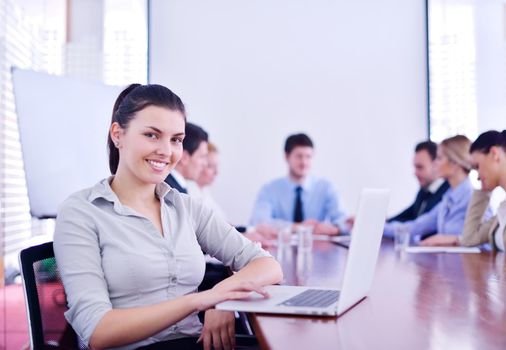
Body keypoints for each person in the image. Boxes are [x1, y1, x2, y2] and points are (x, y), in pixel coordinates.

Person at [53, 84, 283, 350]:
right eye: (152, 135)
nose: (166, 150)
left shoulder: (185, 207)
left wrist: (223, 300)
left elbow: (267, 265)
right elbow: (97, 330)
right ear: (118, 134)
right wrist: (204, 300)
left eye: (176, 139)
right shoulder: (81, 211)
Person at [423, 128, 506, 254]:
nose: (477, 176)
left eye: (477, 166)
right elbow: (469, 239)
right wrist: (483, 190)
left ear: (494, 154)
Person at [384, 135, 490, 243]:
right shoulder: (447, 199)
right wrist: (380, 227)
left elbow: (488, 240)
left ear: (454, 163)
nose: (434, 163)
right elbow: (417, 226)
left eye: (439, 158)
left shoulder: (474, 198)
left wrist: (456, 240)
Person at [250, 133, 347, 235]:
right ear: (287, 157)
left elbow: (343, 222)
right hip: (280, 248)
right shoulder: (269, 189)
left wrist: (336, 229)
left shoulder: (327, 188)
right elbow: (259, 222)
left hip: (318, 248)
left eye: (308, 157)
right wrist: (300, 228)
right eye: (299, 156)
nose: (304, 162)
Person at [388, 141, 450, 225]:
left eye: (420, 167)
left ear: (436, 164)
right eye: (415, 167)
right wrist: (385, 222)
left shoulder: (448, 193)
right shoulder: (423, 191)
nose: (415, 173)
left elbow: (418, 225)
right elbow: (409, 214)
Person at [165, 122, 208, 194]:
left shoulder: (177, 188)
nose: (205, 164)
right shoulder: (170, 192)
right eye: (202, 157)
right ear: (184, 157)